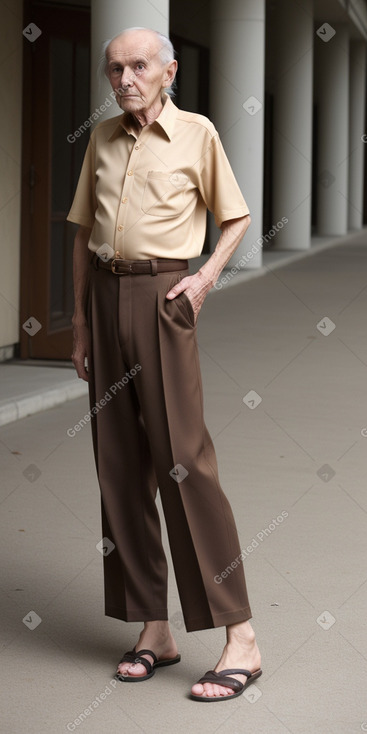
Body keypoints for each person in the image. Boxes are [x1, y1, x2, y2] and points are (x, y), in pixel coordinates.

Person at [67, 26, 261, 701]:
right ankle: (155, 629)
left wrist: (204, 278)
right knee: (119, 468)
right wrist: (82, 326)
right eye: (113, 68)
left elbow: (234, 218)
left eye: (138, 65)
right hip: (106, 294)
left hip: (164, 299)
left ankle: (240, 636)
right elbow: (83, 236)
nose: (124, 78)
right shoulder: (101, 139)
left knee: (184, 460)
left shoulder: (198, 134)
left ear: (168, 70)